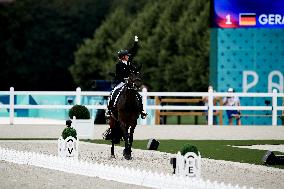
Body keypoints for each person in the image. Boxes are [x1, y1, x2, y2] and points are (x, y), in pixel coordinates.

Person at [105, 35, 147, 119]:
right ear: (123, 57)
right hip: (122, 82)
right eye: (127, 56)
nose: (128, 56)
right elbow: (118, 75)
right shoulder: (119, 65)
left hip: (130, 82)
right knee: (113, 92)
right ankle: (109, 110)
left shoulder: (129, 63)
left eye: (128, 56)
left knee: (138, 96)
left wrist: (135, 43)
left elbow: (133, 52)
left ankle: (142, 111)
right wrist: (124, 79)